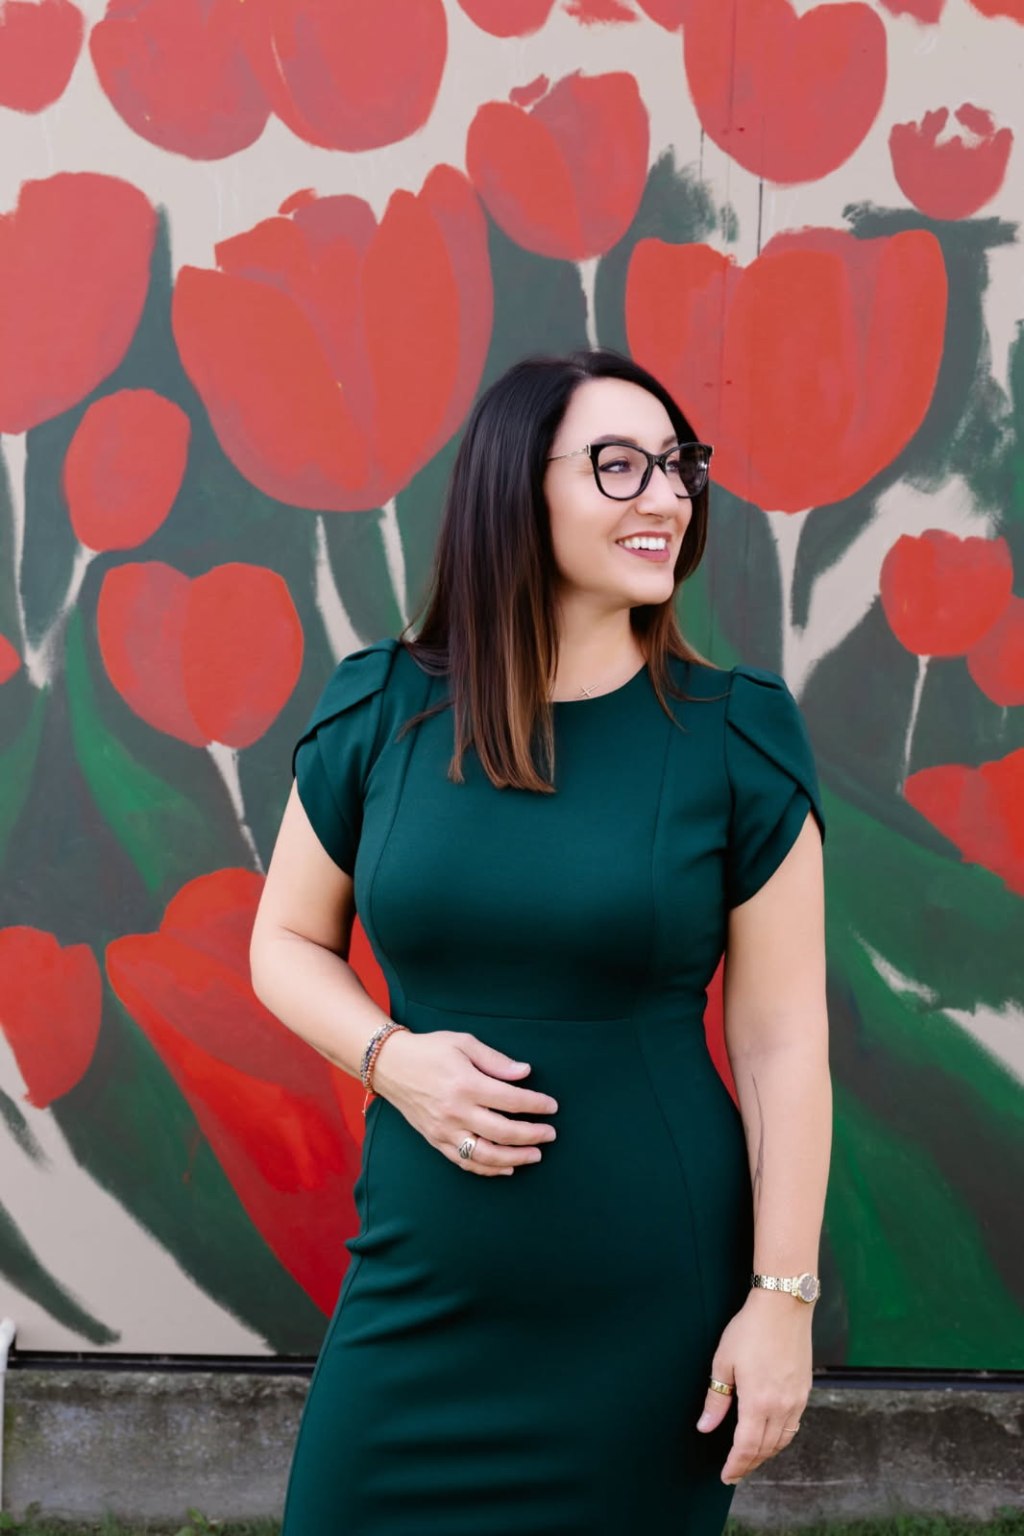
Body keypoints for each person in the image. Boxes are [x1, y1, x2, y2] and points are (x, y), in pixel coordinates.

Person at [249, 348, 831, 1536]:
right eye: (619, 466)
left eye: (678, 467)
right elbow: (284, 944)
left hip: (646, 1299)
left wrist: (781, 1302)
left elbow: (779, 1040)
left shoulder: (737, 736)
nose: (666, 497)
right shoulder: (379, 710)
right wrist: (388, 1057)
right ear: (515, 486)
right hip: (420, 1283)